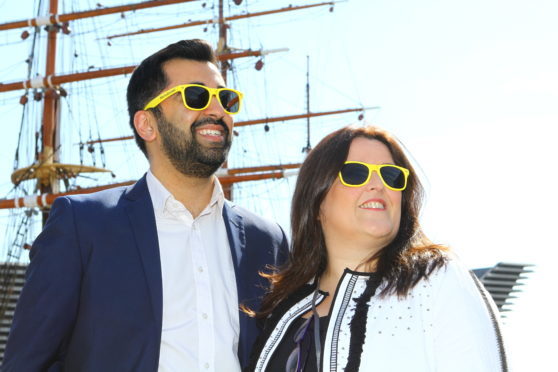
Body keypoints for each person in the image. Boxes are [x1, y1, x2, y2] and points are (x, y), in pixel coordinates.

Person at [3, 39, 288, 372]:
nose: (217, 110)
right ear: (146, 124)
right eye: (195, 96)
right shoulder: (83, 226)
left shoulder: (267, 241)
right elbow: (27, 362)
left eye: (225, 98)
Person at [246, 125, 507, 372]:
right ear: (316, 200)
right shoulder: (284, 308)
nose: (377, 184)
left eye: (392, 176)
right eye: (356, 173)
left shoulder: (436, 281)